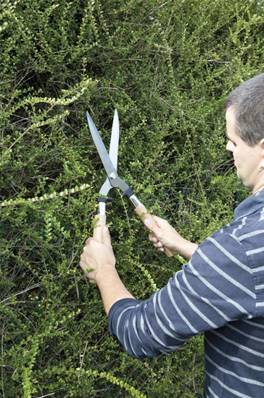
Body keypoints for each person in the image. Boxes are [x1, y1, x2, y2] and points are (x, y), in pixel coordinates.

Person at [80, 73, 264, 398]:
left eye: (233, 142)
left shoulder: (241, 247)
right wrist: (190, 249)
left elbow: (141, 334)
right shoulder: (244, 250)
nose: (227, 148)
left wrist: (104, 270)